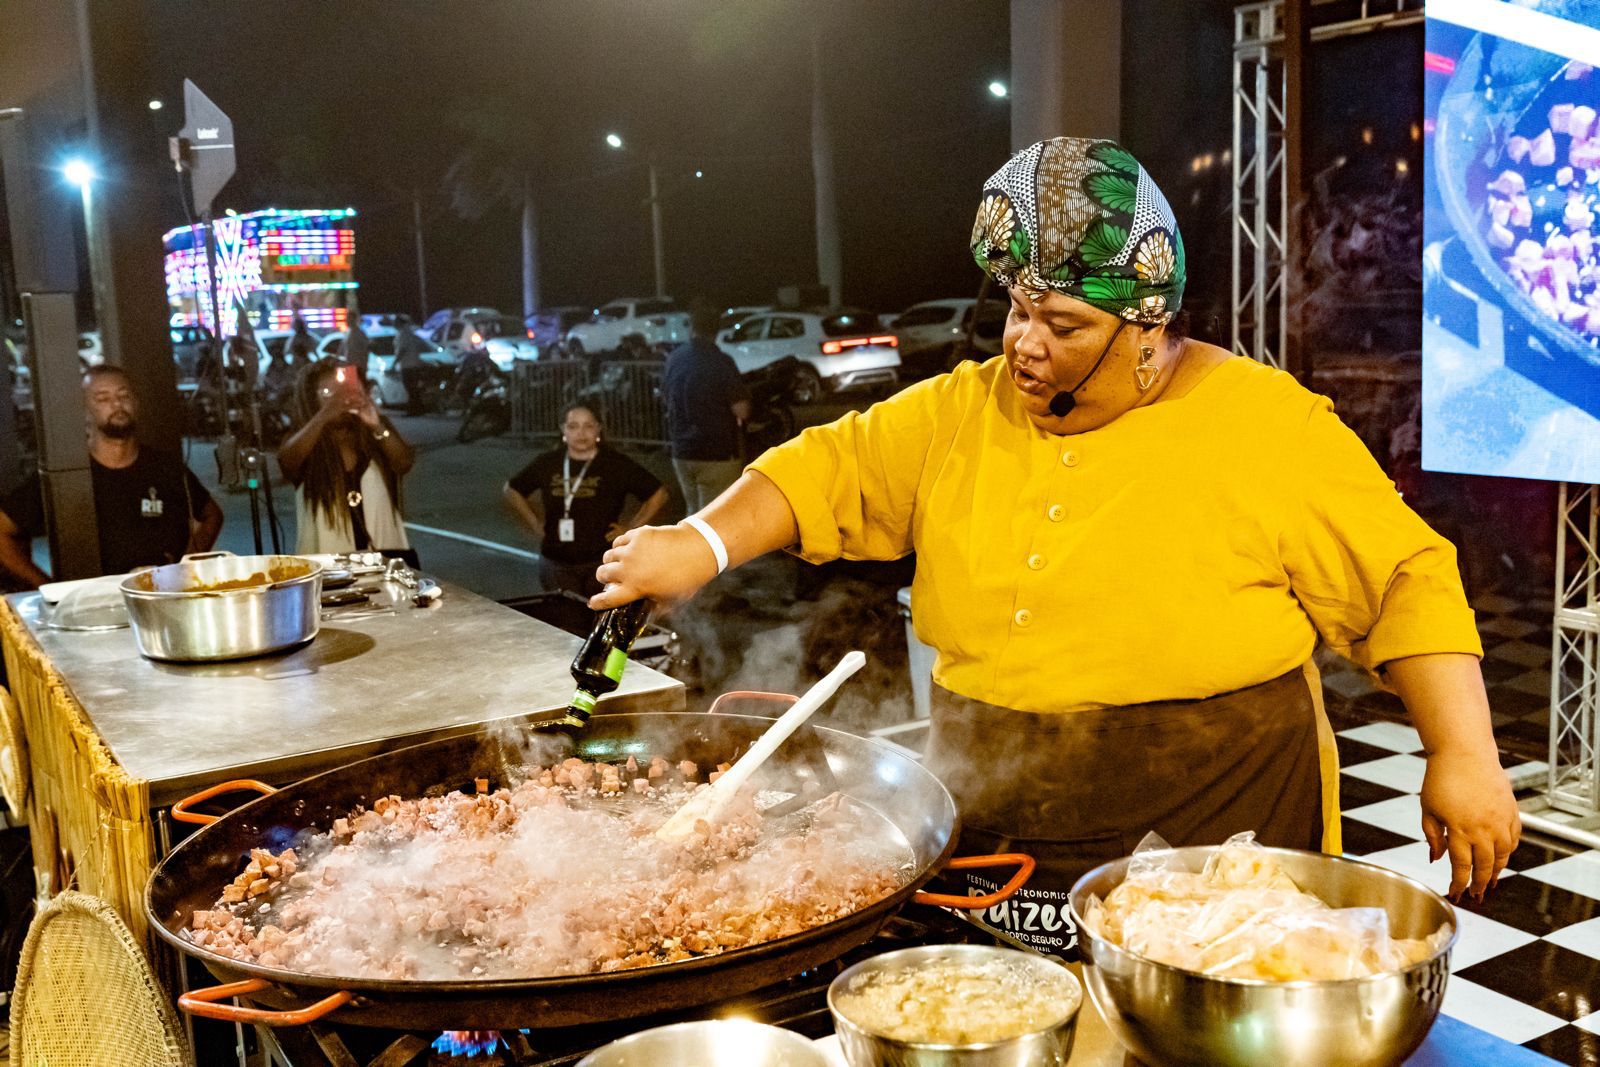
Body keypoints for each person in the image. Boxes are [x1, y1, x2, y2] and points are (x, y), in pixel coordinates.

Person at [589, 137, 1520, 945]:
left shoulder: (1265, 425)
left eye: (1063, 324)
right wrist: (698, 545)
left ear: (1148, 329)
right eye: (1016, 308)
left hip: (1212, 821)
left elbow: (1407, 577)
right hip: (998, 812)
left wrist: (1465, 755)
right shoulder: (963, 408)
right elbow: (824, 471)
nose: (1024, 344)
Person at [0, 365, 223, 585]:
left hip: (161, 600)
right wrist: (47, 588)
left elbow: (212, 515)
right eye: (103, 398)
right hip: (93, 607)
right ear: (84, 410)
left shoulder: (166, 467)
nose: (116, 404)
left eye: (123, 395)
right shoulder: (66, 475)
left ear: (136, 403)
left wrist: (184, 567)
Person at [502, 403, 667, 599]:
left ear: (598, 429)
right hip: (556, 561)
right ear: (563, 430)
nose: (581, 433)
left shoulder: (615, 464)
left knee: (597, 617)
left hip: (600, 560)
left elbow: (659, 494)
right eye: (573, 426)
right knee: (562, 620)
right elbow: (512, 490)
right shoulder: (548, 463)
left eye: (588, 426)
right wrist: (535, 523)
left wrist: (630, 528)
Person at [278, 359, 416, 562]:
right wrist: (325, 415)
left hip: (385, 562)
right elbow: (287, 462)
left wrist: (377, 426)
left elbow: (403, 462)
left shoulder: (374, 433)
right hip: (329, 571)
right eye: (326, 394)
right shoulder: (307, 440)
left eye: (345, 390)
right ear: (310, 400)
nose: (339, 400)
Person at [663, 300, 750, 511]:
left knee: (691, 514)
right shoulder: (721, 361)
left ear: (692, 328)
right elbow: (742, 410)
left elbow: (666, 398)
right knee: (713, 520)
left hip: (682, 450)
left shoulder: (674, 359)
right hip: (716, 452)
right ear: (717, 331)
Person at [393, 317, 430, 416]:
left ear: (399, 323)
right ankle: (419, 409)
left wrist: (395, 363)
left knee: (410, 388)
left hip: (408, 365)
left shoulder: (404, 334)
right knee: (413, 388)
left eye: (395, 322)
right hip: (412, 364)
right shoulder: (408, 333)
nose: (394, 325)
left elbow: (402, 350)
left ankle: (413, 410)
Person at [341, 314, 372, 390]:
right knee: (352, 388)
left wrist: (364, 364)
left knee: (360, 388)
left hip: (359, 366)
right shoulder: (347, 333)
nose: (347, 321)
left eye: (349, 319)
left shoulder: (359, 333)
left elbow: (367, 347)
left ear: (353, 320)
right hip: (349, 365)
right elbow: (343, 349)